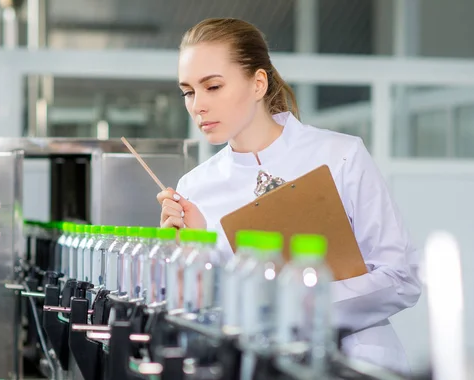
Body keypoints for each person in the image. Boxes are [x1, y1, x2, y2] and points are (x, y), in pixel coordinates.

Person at [156, 17, 421, 374]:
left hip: (355, 362)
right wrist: (188, 252)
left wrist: (294, 305)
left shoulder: (340, 155)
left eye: (213, 87)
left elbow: (401, 278)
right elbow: (202, 311)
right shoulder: (193, 189)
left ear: (258, 83)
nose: (197, 105)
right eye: (188, 91)